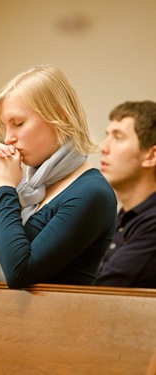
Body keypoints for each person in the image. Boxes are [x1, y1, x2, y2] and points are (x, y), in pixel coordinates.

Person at [0, 64, 117, 289]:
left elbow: (20, 273)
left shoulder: (91, 192)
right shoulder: (26, 189)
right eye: (5, 127)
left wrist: (5, 190)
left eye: (18, 124)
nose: (8, 138)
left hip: (61, 322)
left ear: (60, 117)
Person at [94, 100, 156, 288]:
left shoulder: (153, 225)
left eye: (118, 137)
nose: (103, 148)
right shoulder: (124, 218)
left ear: (151, 156)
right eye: (107, 136)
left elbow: (99, 296)